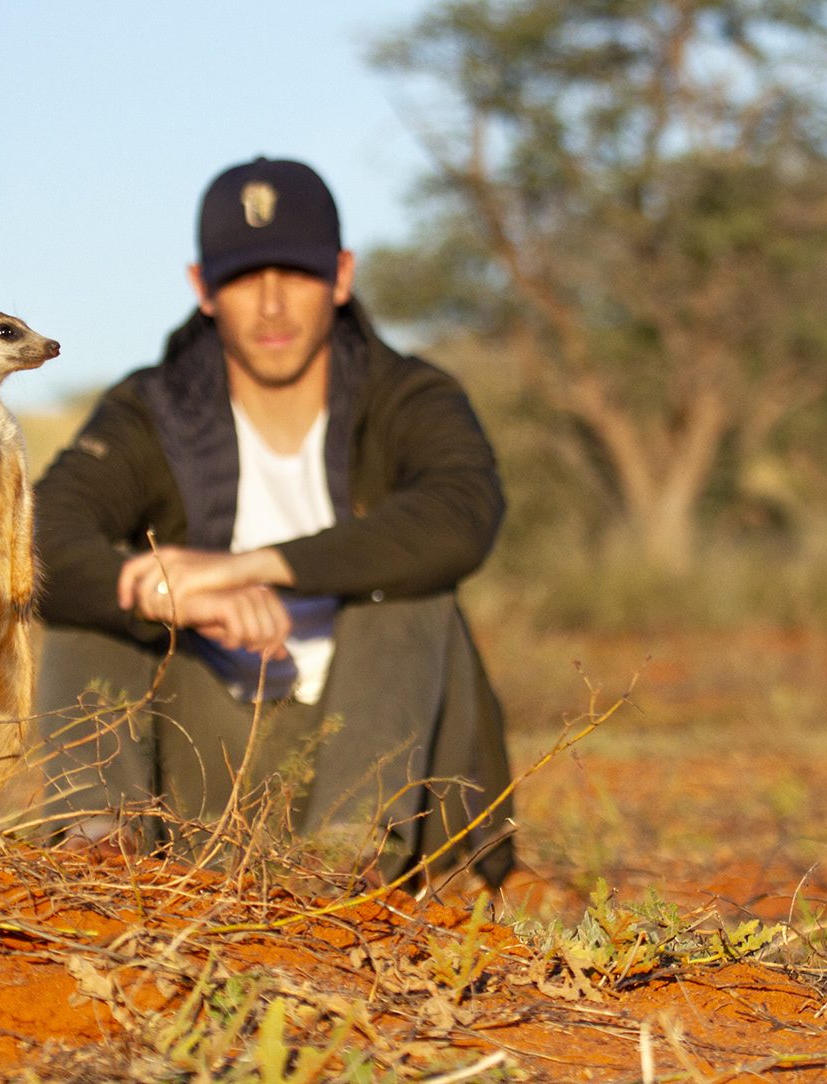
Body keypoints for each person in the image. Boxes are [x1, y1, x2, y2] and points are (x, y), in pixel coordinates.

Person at [31, 157, 515, 890]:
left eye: (295, 273)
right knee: (98, 594)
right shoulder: (150, 410)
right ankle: (100, 856)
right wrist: (159, 588)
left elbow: (462, 513)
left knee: (414, 583)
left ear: (342, 277)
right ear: (202, 291)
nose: (270, 306)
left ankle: (346, 864)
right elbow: (36, 538)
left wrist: (245, 567)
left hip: (386, 766)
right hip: (211, 770)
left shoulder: (409, 394)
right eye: (242, 279)